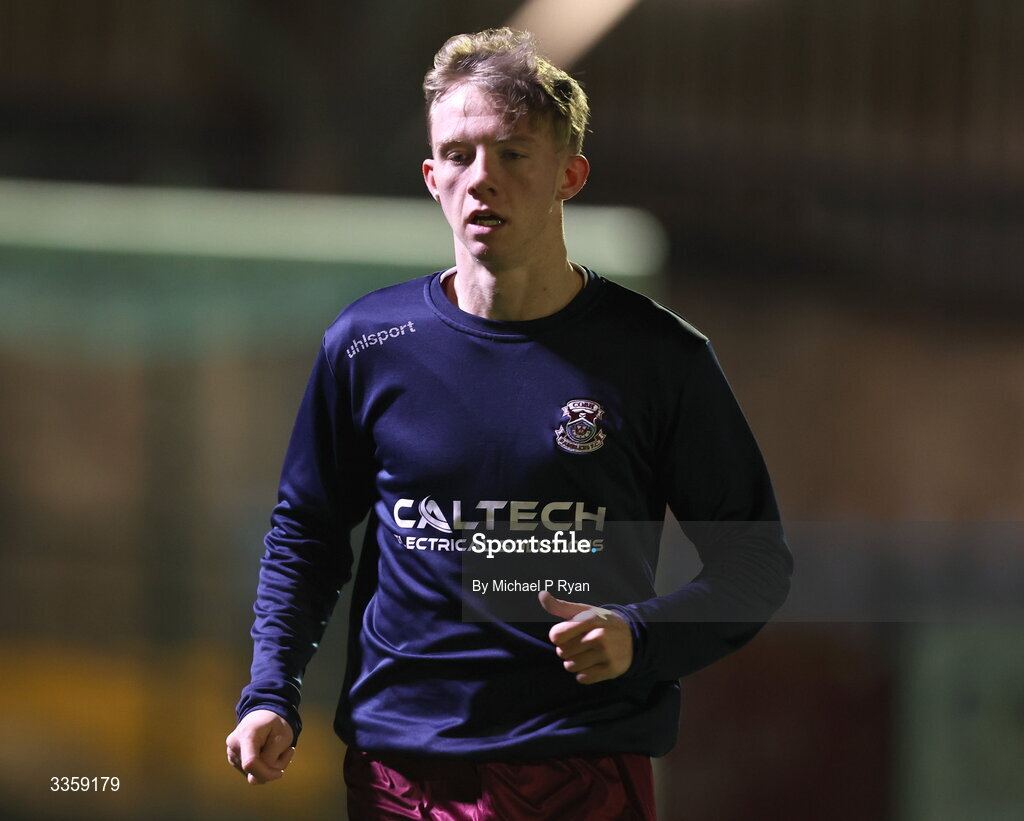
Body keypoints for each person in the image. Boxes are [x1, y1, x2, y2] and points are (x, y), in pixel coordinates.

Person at [226, 27, 792, 820]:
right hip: (397, 771)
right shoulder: (368, 344)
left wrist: (642, 635)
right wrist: (269, 692)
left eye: (513, 154)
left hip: (576, 765)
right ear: (431, 175)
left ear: (570, 174)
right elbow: (308, 531)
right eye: (458, 155)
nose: (480, 178)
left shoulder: (659, 359)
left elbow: (755, 561)